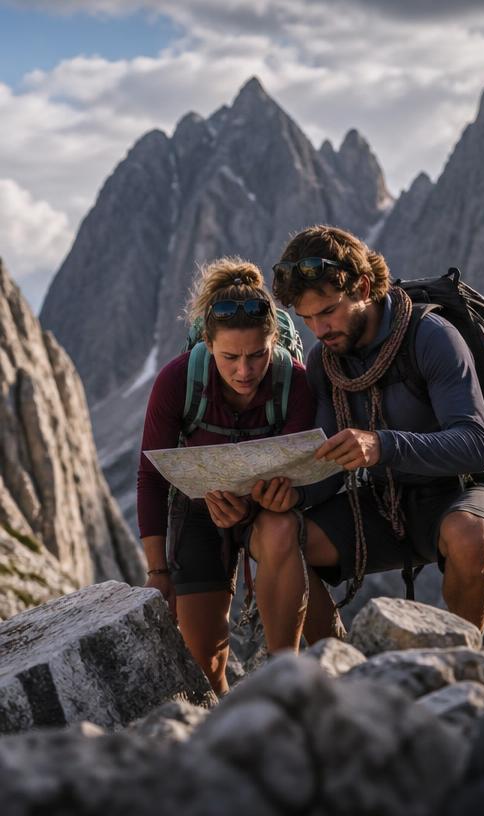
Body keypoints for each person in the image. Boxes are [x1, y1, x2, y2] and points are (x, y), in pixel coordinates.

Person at [250, 225, 484, 652]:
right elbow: (327, 469)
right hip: (385, 503)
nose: (319, 329)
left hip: (464, 491)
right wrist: (289, 495)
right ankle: (335, 664)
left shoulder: (430, 336)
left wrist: (381, 445)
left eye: (329, 311)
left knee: (470, 537)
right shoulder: (325, 364)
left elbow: (474, 447)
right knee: (275, 534)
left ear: (365, 287)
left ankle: (463, 663)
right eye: (307, 318)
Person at [137, 257, 322, 695]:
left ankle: (284, 682)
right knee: (205, 663)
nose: (244, 371)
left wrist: (284, 502)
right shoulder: (178, 380)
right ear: (207, 343)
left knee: (280, 528)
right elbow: (151, 476)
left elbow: (306, 470)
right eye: (230, 357)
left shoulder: (293, 381)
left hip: (264, 510)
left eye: (258, 355)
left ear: (274, 341)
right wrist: (158, 570)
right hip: (199, 511)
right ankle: (223, 729)